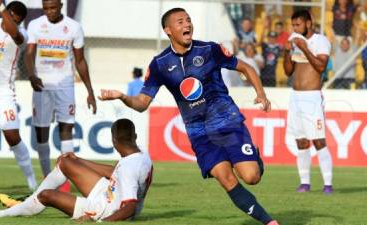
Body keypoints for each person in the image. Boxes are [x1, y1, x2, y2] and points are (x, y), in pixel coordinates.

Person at [98, 8, 279, 225]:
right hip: (198, 132)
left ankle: (254, 159)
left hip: (226, 121)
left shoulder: (210, 49)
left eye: (189, 20)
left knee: (251, 177)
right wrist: (123, 97)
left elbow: (246, 68)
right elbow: (142, 103)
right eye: (180, 22)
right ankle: (269, 222)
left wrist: (261, 94)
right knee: (226, 178)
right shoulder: (159, 64)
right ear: (168, 30)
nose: (187, 25)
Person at [0, 119, 153, 222]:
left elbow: (130, 207)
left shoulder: (130, 167)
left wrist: (100, 222)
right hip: (108, 192)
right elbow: (116, 172)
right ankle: (29, 200)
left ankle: (1, 214)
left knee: (46, 196)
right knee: (66, 162)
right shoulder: (140, 154)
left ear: (113, 140)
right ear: (135, 137)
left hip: (105, 208)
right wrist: (79, 160)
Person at [25, 0, 97, 184]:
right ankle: (47, 175)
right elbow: (29, 53)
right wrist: (31, 75)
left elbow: (80, 61)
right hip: (42, 85)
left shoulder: (73, 27)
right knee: (41, 132)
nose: (49, 11)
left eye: (53, 7)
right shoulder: (35, 25)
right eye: (46, 8)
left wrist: (90, 91)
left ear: (61, 6)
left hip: (65, 85)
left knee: (66, 127)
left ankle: (69, 175)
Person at [0, 0, 37, 191]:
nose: (10, 23)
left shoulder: (21, 34)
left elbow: (13, 32)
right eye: (9, 17)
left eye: (15, 20)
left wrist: (0, 6)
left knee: (13, 136)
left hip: (1, 94)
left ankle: (31, 181)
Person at [283, 10, 333, 194]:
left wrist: (304, 47)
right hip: (295, 97)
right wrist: (287, 52)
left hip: (312, 97)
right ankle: (305, 183)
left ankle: (327, 184)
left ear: (309, 24)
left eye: (298, 25)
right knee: (301, 142)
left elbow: (320, 67)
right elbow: (288, 71)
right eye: (293, 25)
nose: (294, 29)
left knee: (319, 141)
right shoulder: (294, 39)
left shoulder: (321, 41)